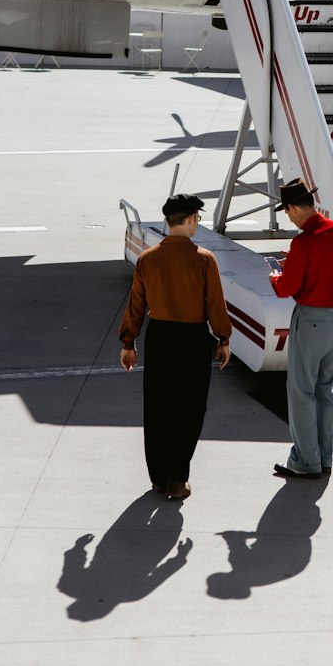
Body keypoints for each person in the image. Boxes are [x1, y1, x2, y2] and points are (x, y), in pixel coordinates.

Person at [119, 192, 231, 500]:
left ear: (169, 221)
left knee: (158, 407)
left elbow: (136, 306)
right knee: (191, 408)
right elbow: (215, 306)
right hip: (193, 340)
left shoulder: (148, 259)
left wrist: (129, 342)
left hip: (160, 338)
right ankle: (178, 477)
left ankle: (158, 477)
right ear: (193, 218)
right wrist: (223, 338)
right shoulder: (204, 260)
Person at [268, 178, 333, 479]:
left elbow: (287, 288)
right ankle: (324, 458)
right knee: (325, 391)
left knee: (301, 391)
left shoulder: (303, 241)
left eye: (287, 212)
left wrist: (277, 276)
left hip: (312, 320)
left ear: (293, 208)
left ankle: (305, 460)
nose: (288, 218)